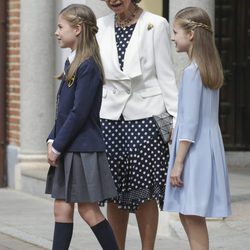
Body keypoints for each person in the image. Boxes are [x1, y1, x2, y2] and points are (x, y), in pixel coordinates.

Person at [96, 0, 178, 249]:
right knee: (113, 192)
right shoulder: (99, 26)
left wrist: (174, 121)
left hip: (147, 118)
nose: (112, 0)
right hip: (109, 118)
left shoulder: (156, 24)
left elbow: (166, 74)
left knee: (145, 192)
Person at [45, 4, 119, 250]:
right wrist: (51, 139)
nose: (56, 32)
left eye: (60, 27)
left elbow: (79, 113)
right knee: (62, 208)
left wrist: (58, 146)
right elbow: (63, 110)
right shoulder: (72, 62)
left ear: (77, 29)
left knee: (88, 210)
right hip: (69, 147)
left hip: (81, 149)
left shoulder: (88, 66)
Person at [163, 7, 232, 250]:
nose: (172, 38)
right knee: (189, 214)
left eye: (175, 32)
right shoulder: (208, 69)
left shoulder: (193, 73)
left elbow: (190, 123)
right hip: (207, 147)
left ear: (191, 34)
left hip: (192, 151)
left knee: (191, 215)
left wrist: (178, 163)